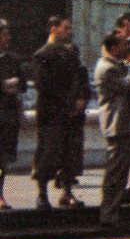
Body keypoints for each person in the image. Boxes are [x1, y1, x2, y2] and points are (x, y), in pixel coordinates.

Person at [31, 15, 89, 209]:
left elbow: (82, 76)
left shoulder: (72, 52)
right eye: (66, 28)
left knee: (71, 153)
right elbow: (45, 85)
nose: (69, 32)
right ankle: (42, 193)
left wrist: (81, 98)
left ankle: (67, 192)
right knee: (48, 152)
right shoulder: (42, 55)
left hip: (72, 113)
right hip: (52, 113)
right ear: (53, 29)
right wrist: (67, 105)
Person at [94, 34, 130, 229]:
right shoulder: (106, 68)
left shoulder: (118, 65)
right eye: (123, 45)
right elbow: (129, 86)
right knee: (117, 172)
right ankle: (108, 213)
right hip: (118, 125)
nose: (127, 49)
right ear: (112, 47)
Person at [0, 19, 23, 210]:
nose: (7, 37)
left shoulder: (13, 59)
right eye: (4, 33)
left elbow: (22, 84)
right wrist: (6, 85)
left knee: (2, 160)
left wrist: (11, 85)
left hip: (7, 116)